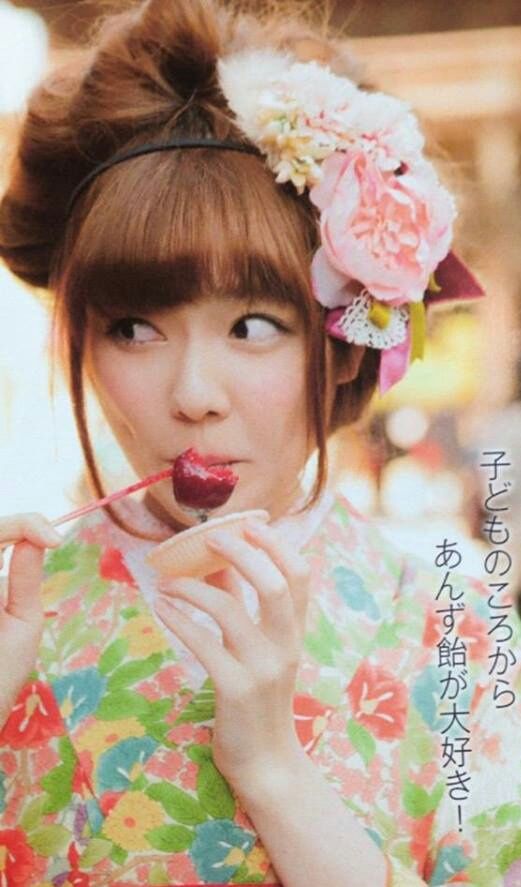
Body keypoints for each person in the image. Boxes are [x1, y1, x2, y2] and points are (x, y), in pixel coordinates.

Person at [0, 2, 519, 885]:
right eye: (132, 328)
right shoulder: (22, 620)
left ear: (344, 341)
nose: (193, 395)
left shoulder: (458, 630)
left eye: (251, 326)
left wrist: (274, 771)